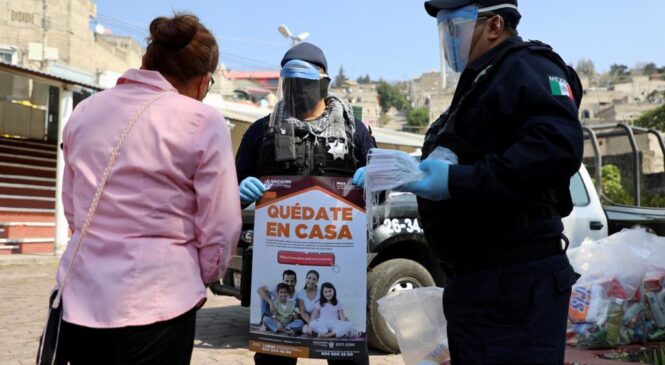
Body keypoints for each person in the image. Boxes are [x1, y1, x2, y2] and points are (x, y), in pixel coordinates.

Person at [355, 1, 583, 363]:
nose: (448, 41)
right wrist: (414, 170)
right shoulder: (482, 79)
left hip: (514, 282)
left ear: (494, 25)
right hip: (480, 281)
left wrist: (456, 180)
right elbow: (475, 151)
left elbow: (556, 150)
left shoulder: (529, 67)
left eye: (454, 29)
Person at [54, 13, 241, 365]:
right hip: (160, 302)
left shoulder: (84, 111)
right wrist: (198, 272)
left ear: (147, 60)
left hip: (81, 299)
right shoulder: (202, 121)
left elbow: (74, 208)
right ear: (202, 81)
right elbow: (222, 224)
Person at [235, 42, 372, 365]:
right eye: (290, 83)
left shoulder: (355, 132)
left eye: (304, 83)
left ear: (323, 83)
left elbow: (384, 189)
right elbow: (229, 185)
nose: (296, 92)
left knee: (347, 352)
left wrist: (375, 178)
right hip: (279, 258)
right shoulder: (262, 132)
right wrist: (238, 190)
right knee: (275, 354)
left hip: (339, 261)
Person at [296, 270, 321, 335]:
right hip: (310, 321)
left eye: (314, 279)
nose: (311, 281)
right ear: (306, 279)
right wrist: (311, 324)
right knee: (305, 330)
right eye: (309, 278)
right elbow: (303, 313)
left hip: (322, 320)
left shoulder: (321, 292)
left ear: (317, 281)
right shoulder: (301, 293)